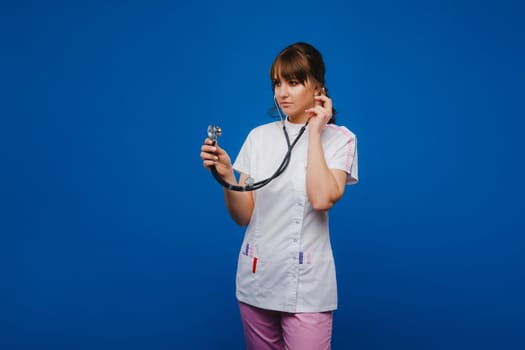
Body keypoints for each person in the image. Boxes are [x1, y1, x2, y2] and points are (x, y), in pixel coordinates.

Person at [200, 42, 358, 350]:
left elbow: (322, 199)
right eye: (277, 83)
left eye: (294, 82)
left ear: (318, 87)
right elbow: (243, 215)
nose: (282, 92)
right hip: (256, 279)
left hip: (308, 286)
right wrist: (227, 176)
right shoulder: (259, 137)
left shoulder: (341, 139)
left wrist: (315, 131)